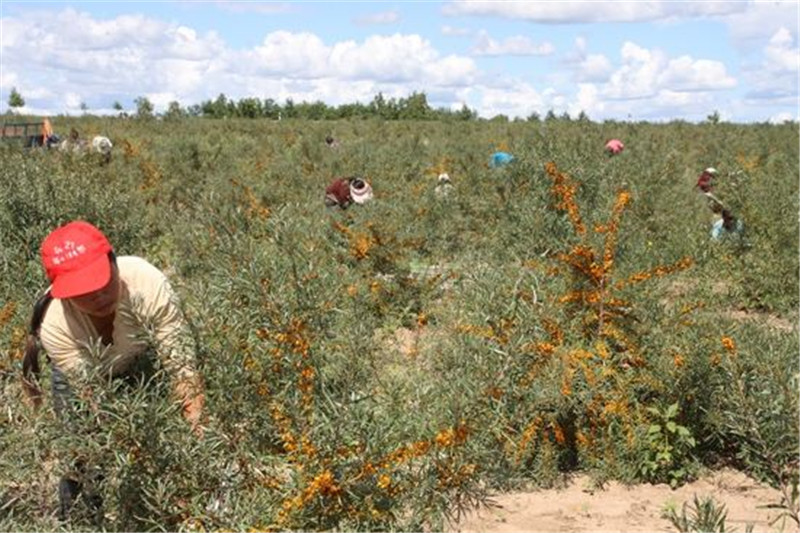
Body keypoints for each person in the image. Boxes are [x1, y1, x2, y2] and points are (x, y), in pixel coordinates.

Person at [21, 220, 205, 521]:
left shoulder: (146, 281)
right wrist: (132, 443)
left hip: (138, 358)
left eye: (102, 280)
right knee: (81, 452)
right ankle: (81, 522)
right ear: (62, 292)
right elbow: (95, 400)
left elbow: (181, 367)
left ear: (114, 261)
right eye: (83, 290)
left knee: (176, 428)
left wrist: (198, 437)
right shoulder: (54, 323)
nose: (98, 295)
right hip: (86, 379)